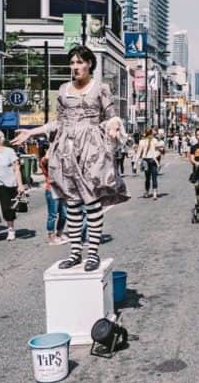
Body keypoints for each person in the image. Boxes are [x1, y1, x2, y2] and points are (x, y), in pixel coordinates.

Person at [13, 46, 125, 272]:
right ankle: (75, 252)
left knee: (92, 202)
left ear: (90, 64)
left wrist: (113, 129)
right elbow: (58, 122)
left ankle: (92, 253)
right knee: (72, 204)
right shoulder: (63, 90)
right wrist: (32, 132)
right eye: (72, 63)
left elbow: (112, 116)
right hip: (67, 149)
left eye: (79, 62)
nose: (75, 67)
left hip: (92, 148)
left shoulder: (101, 88)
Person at [40, 155, 69, 244]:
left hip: (63, 192)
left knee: (64, 214)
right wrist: (50, 150)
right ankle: (51, 236)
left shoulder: (61, 163)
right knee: (52, 215)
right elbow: (44, 160)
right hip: (52, 191)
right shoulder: (46, 164)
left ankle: (59, 234)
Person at [138, 128, 161, 200]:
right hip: (153, 160)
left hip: (146, 160)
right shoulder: (154, 140)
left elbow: (139, 152)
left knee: (147, 178)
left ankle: (147, 192)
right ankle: (154, 194)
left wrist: (136, 163)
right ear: (151, 133)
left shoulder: (142, 141)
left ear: (145, 133)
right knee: (154, 177)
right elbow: (159, 148)